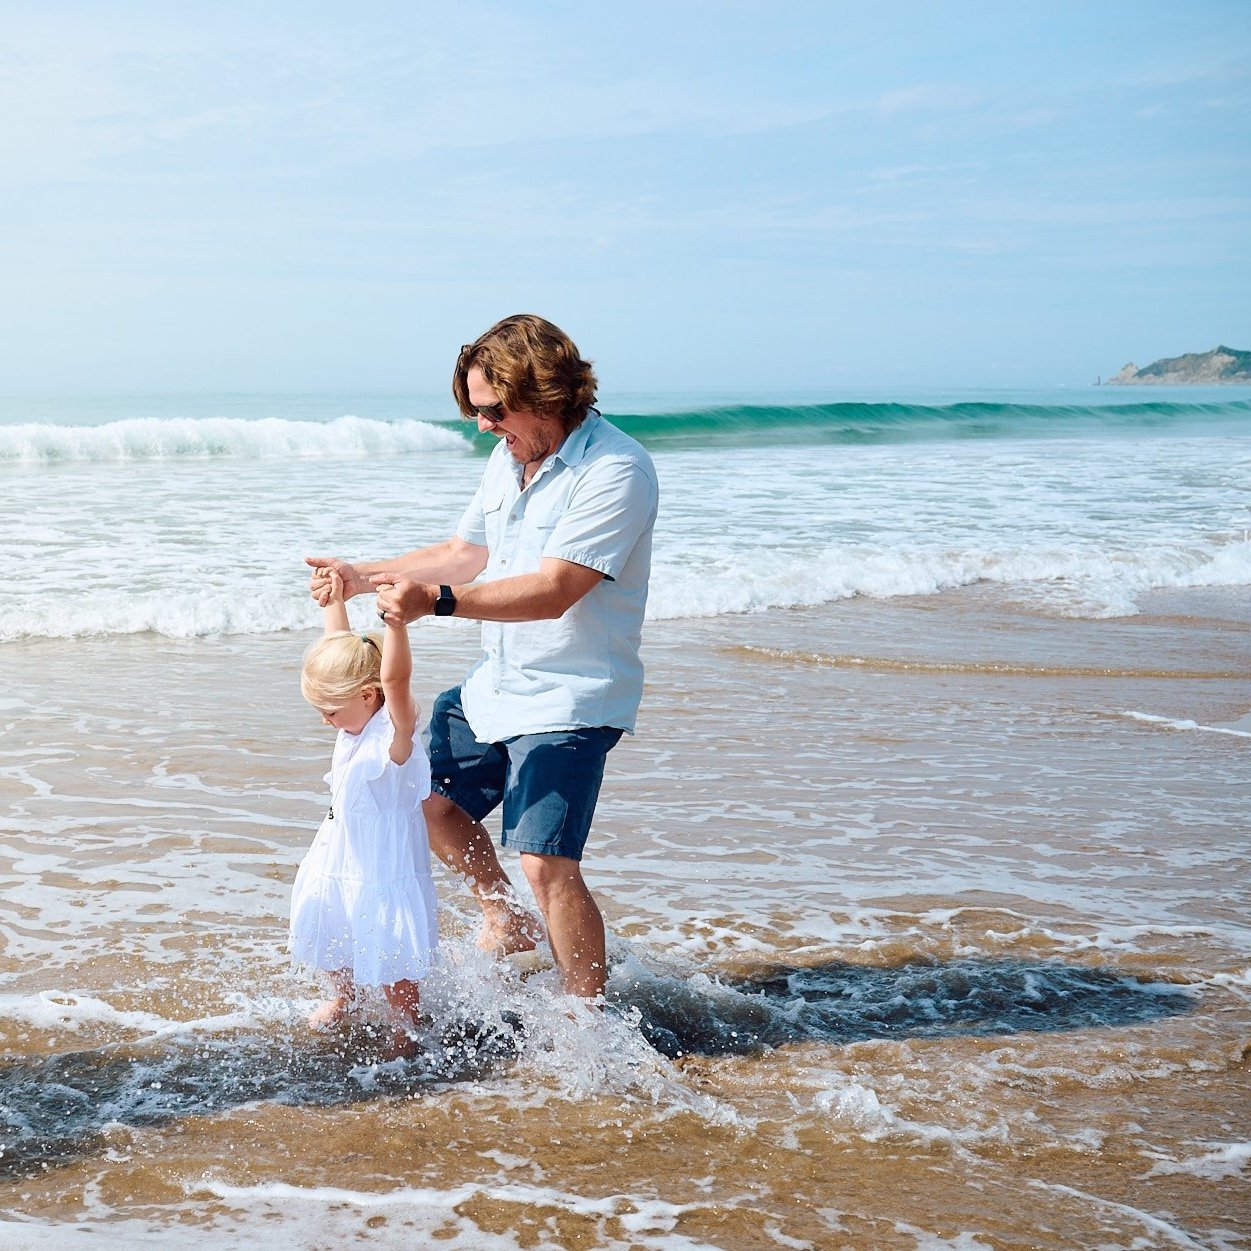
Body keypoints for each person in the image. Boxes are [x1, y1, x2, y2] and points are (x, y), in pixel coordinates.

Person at [305, 313, 658, 1001]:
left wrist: (437, 603)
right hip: (496, 682)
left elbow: (557, 589)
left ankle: (585, 1015)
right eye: (472, 409)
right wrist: (361, 575)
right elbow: (465, 552)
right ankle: (505, 916)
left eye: (491, 409)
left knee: (546, 861)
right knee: (427, 800)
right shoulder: (508, 458)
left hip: (571, 693)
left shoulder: (616, 469)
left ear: (546, 391)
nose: (480, 425)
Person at [289, 567, 438, 1053]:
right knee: (334, 920)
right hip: (340, 846)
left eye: (330, 711)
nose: (324, 720)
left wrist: (397, 626)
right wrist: (334, 599)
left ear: (369, 696)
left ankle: (407, 1022)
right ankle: (345, 996)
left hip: (382, 860)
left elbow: (396, 677)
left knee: (389, 944)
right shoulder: (353, 715)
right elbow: (341, 645)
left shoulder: (393, 737)